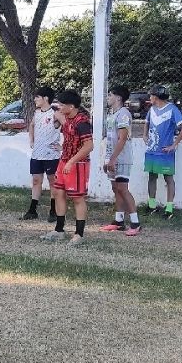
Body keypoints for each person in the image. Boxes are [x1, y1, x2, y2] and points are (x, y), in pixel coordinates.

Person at [41, 90, 93, 246]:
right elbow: (70, 137)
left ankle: (79, 234)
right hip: (64, 161)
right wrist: (62, 148)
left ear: (71, 106)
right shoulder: (68, 119)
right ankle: (59, 230)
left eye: (62, 105)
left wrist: (72, 161)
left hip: (78, 164)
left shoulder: (82, 122)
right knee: (58, 193)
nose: (59, 107)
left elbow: (89, 146)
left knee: (77, 198)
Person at [143, 85, 182, 220]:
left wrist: (174, 144)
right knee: (152, 176)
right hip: (152, 150)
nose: (149, 97)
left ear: (156, 97)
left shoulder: (172, 109)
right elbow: (146, 122)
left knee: (168, 179)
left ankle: (169, 209)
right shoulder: (152, 109)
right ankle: (152, 206)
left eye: (151, 95)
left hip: (164, 151)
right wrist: (145, 135)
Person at [100, 86, 140, 235]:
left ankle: (136, 223)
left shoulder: (123, 114)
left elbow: (122, 139)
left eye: (110, 95)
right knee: (115, 188)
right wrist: (107, 159)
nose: (108, 97)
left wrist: (113, 158)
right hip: (112, 157)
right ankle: (119, 221)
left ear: (118, 98)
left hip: (122, 158)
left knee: (123, 188)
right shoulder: (112, 114)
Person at [22, 86, 61, 222]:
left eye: (37, 97)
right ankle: (32, 210)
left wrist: (62, 146)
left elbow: (67, 126)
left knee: (52, 181)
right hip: (37, 153)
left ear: (45, 98)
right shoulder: (37, 113)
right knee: (36, 180)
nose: (35, 99)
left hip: (51, 154)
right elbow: (32, 125)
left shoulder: (55, 113)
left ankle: (54, 210)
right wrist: (31, 140)